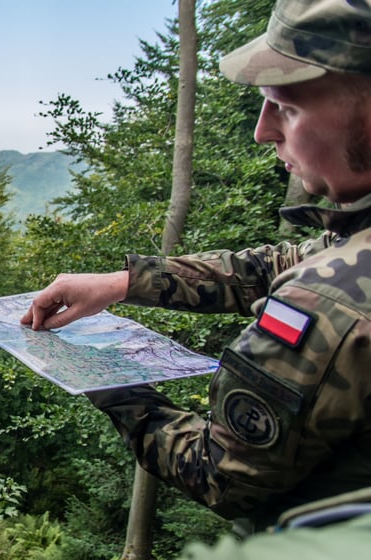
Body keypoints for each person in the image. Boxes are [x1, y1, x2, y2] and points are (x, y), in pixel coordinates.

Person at [21, 0, 371, 534]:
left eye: (287, 107)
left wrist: (99, 372)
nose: (263, 131)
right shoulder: (352, 253)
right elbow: (285, 261)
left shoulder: (329, 305)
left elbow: (219, 476)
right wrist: (124, 283)